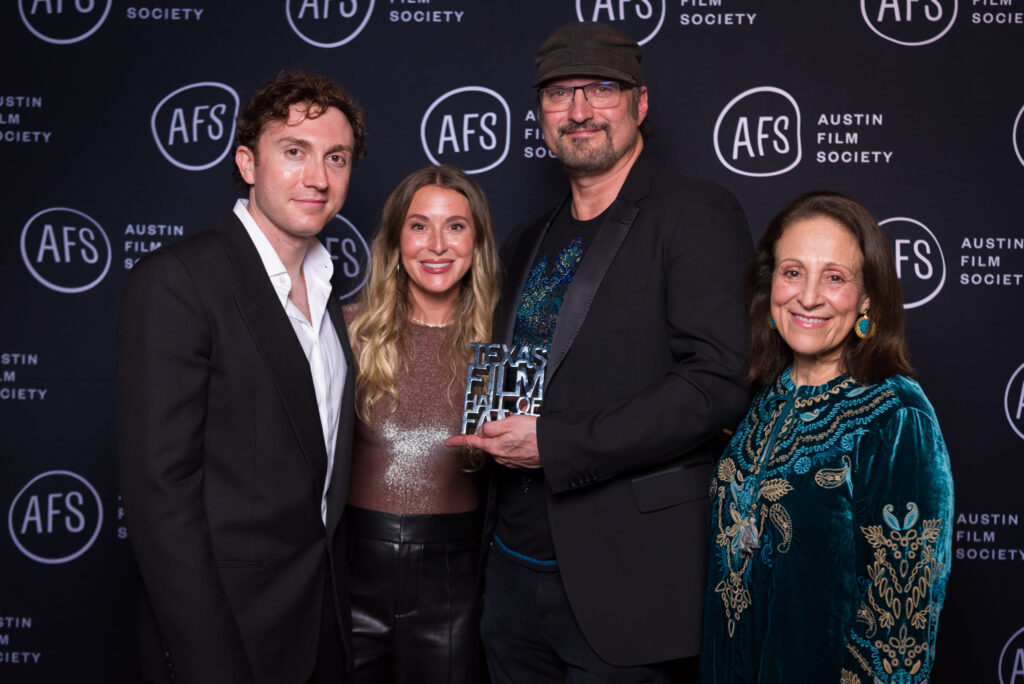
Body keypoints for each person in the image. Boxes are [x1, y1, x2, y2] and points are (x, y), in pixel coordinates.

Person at [447, 21, 752, 682]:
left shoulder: (695, 212)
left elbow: (717, 382)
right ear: (541, 115)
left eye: (601, 89)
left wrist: (556, 444)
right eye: (559, 94)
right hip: (509, 579)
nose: (579, 110)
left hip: (629, 588)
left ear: (640, 105)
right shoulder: (528, 239)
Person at [116, 71, 366, 683]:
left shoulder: (332, 291)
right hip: (228, 641)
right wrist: (208, 661)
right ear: (248, 163)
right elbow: (160, 497)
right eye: (295, 152)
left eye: (336, 158)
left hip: (322, 634)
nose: (318, 177)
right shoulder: (178, 281)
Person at [700, 191, 953, 683]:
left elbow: (901, 635)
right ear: (769, 285)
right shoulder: (764, 398)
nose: (809, 296)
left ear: (866, 300)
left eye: (834, 278)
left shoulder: (896, 416)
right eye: (792, 272)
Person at [341, 165, 500, 683]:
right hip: (349, 570)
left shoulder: (499, 349)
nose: (436, 245)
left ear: (477, 242)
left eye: (455, 226)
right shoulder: (346, 331)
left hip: (454, 579)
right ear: (394, 239)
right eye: (418, 226)